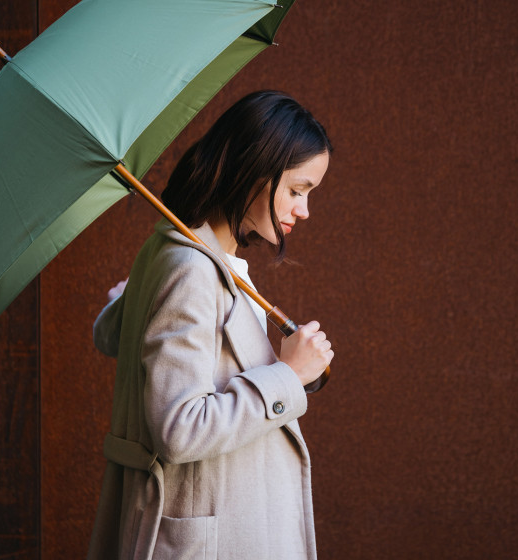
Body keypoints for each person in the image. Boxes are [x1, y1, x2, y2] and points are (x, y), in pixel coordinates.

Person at [87, 91, 334, 560]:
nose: (303, 210)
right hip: (207, 543)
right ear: (254, 171)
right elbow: (179, 429)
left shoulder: (191, 256)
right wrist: (289, 375)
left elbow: (113, 336)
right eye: (297, 190)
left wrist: (134, 301)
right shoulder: (191, 269)